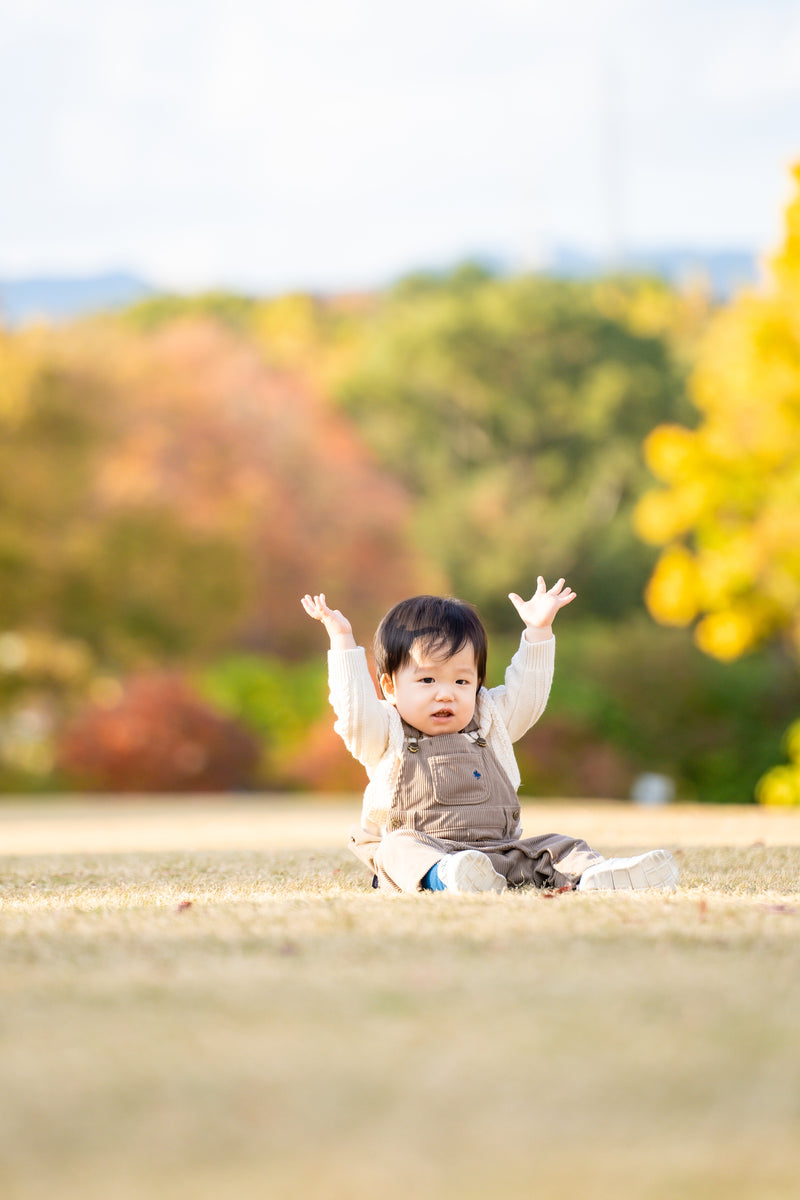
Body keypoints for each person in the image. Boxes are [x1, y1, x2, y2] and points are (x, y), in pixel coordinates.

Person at [301, 581, 679, 895]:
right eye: (428, 680)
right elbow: (353, 711)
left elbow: (527, 695)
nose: (446, 693)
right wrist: (343, 643)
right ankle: (447, 878)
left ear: (478, 683)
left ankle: (602, 876)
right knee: (395, 849)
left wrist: (538, 631)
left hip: (500, 851)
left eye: (461, 680)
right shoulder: (384, 730)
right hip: (426, 849)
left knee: (561, 846)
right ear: (390, 686)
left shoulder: (489, 719)